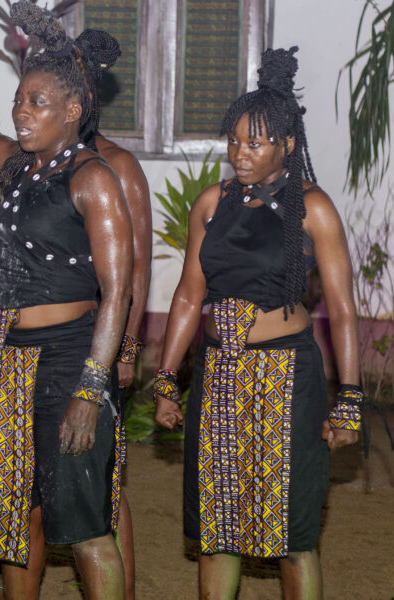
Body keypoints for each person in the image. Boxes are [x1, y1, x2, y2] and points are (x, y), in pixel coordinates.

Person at [153, 47, 362, 599]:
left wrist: (350, 398)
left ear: (287, 146)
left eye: (256, 143)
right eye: (235, 141)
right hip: (219, 377)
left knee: (291, 532)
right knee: (219, 529)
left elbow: (341, 309)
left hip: (284, 381)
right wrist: (167, 379)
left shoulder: (313, 209)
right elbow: (186, 298)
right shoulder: (211, 204)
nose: (240, 153)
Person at [0, 28, 150, 600]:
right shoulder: (21, 166)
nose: (22, 112)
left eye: (35, 103)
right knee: (15, 518)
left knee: (86, 525)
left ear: (72, 110)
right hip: (7, 364)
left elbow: (118, 291)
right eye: (19, 100)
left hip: (68, 361)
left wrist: (93, 388)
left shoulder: (93, 178)